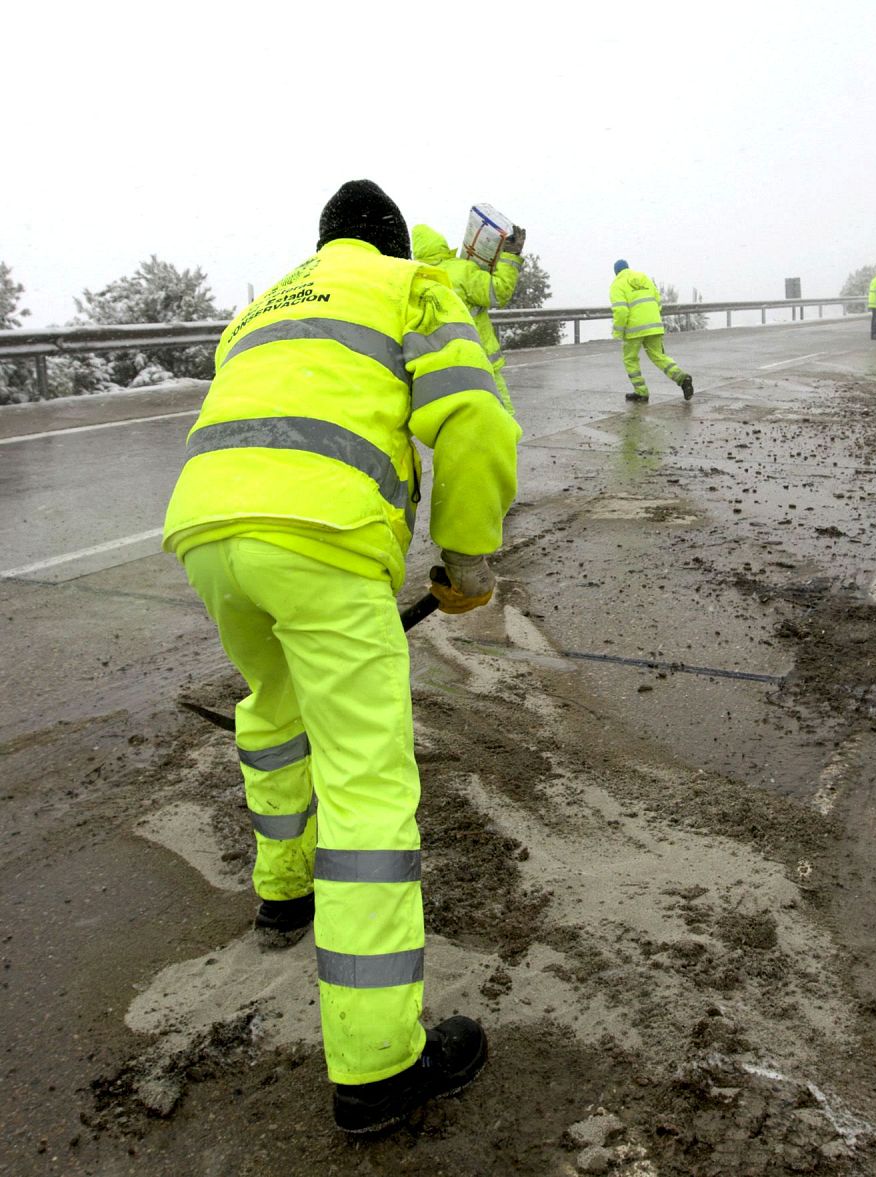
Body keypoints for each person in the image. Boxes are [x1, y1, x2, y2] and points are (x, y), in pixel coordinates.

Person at [161, 179, 521, 1135]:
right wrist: (467, 561)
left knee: (273, 708)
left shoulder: (266, 303)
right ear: (397, 244)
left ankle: (284, 893)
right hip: (322, 538)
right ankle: (377, 1064)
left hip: (206, 532)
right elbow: (476, 420)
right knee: (366, 783)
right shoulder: (411, 287)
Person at [410, 219, 525, 413]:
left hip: (443, 368)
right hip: (480, 360)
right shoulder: (461, 270)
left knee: (458, 419)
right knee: (502, 417)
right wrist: (510, 256)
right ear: (442, 244)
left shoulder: (414, 281)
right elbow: (499, 292)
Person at [609, 259, 693, 403]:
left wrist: (618, 332)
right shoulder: (645, 278)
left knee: (631, 359)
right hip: (654, 325)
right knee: (658, 356)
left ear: (616, 272)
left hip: (633, 329)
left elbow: (621, 311)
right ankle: (682, 378)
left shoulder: (617, 284)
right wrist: (650, 319)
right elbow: (658, 302)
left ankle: (641, 392)